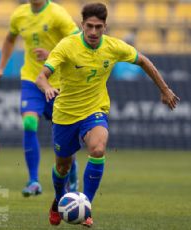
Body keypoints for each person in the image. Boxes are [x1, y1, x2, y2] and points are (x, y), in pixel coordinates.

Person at [35, 3, 180, 227]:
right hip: (65, 114)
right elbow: (42, 76)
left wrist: (165, 89)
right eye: (89, 26)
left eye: (98, 27)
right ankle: (58, 200)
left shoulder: (113, 46)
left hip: (95, 109)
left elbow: (143, 61)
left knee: (98, 149)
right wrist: (46, 88)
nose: (93, 32)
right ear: (82, 25)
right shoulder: (67, 45)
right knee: (63, 166)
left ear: (105, 27)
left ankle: (86, 206)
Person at [0, 0, 80, 197]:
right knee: (29, 122)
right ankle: (33, 181)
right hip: (31, 79)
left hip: (58, 82)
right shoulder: (19, 15)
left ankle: (72, 173)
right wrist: (1, 68)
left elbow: (78, 42)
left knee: (65, 136)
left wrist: (53, 54)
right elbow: (9, 39)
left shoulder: (58, 14)